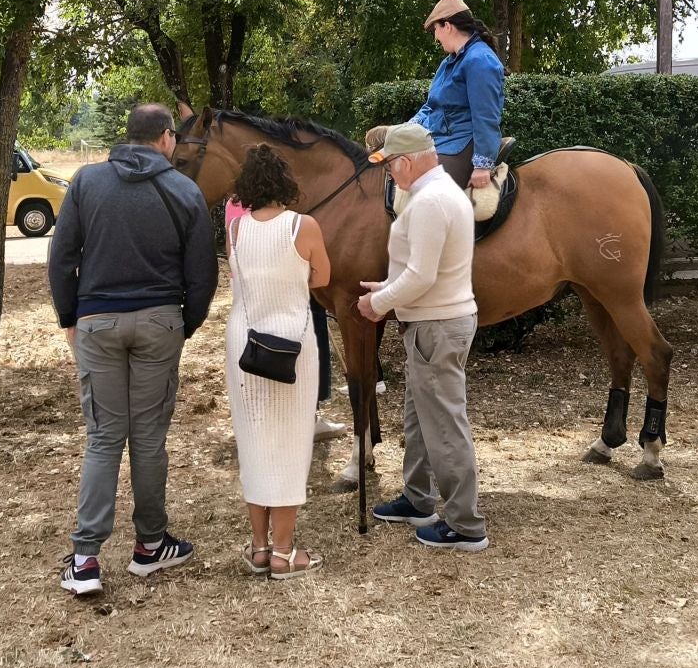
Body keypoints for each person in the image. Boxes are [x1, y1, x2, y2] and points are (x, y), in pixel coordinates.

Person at [48, 103, 218, 598]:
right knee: (148, 437)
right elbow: (202, 274)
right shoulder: (184, 189)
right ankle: (149, 545)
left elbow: (62, 258)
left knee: (103, 435)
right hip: (160, 320)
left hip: (97, 320)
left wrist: (69, 319)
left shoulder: (85, 182)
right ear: (166, 138)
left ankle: (85, 559)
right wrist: (183, 325)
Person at [358, 122, 487, 552]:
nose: (389, 174)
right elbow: (419, 271)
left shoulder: (431, 200)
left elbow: (421, 275)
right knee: (420, 419)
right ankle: (418, 499)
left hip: (436, 325)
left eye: (390, 165)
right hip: (431, 323)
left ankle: (466, 524)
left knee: (445, 426)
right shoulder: (436, 194)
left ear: (407, 160)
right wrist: (388, 290)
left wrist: (379, 303)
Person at [223, 144, 332, 578]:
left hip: (244, 344)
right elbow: (322, 277)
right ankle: (286, 552)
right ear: (286, 183)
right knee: (290, 442)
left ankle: (259, 548)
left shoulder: (234, 231)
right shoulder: (302, 227)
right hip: (291, 343)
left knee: (252, 441)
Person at [411, 0, 506, 191]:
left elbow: (486, 116)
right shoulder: (449, 62)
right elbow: (431, 107)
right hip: (440, 142)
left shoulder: (480, 60)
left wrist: (482, 165)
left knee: (427, 192)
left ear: (447, 26)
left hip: (463, 146)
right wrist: (404, 131)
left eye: (436, 29)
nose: (435, 37)